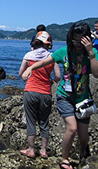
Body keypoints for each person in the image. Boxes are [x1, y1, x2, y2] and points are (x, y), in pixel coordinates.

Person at [22, 21, 98, 169]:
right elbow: (45, 61)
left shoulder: (92, 53)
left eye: (80, 40)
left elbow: (96, 73)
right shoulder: (63, 52)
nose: (76, 43)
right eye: (74, 39)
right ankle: (64, 159)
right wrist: (30, 69)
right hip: (65, 96)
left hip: (83, 99)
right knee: (72, 128)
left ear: (87, 39)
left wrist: (90, 52)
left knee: (83, 136)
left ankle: (83, 150)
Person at [18, 31, 61, 158]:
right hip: (46, 92)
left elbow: (21, 74)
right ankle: (43, 150)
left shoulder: (29, 55)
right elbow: (58, 76)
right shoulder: (52, 57)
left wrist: (29, 78)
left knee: (31, 121)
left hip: (30, 91)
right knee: (44, 122)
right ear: (48, 44)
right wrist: (51, 82)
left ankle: (31, 150)